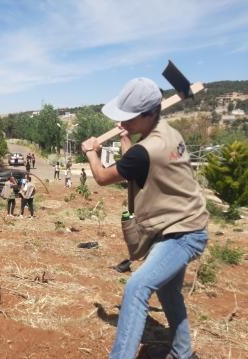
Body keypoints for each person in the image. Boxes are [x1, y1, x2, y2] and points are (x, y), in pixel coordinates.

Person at [81, 78, 208, 359]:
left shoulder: (145, 151)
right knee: (168, 292)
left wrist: (92, 153)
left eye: (129, 117)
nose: (123, 121)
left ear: (150, 113)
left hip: (181, 234)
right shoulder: (168, 134)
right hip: (190, 222)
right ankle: (184, 353)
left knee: (136, 288)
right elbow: (134, 162)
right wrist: (126, 135)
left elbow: (103, 177)